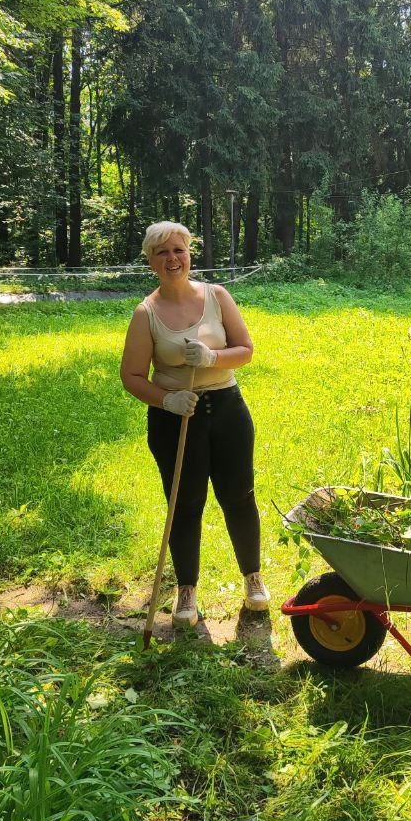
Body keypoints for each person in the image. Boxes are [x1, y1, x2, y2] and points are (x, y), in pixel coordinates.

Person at [120, 221, 270, 629]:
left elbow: (246, 350)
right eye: (163, 252)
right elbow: (131, 376)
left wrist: (211, 357)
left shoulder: (217, 296)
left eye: (179, 250)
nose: (173, 258)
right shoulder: (146, 313)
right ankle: (186, 589)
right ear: (151, 261)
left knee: (239, 496)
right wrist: (167, 399)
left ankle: (253, 577)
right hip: (175, 418)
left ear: (189, 255)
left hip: (226, 409)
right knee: (184, 504)